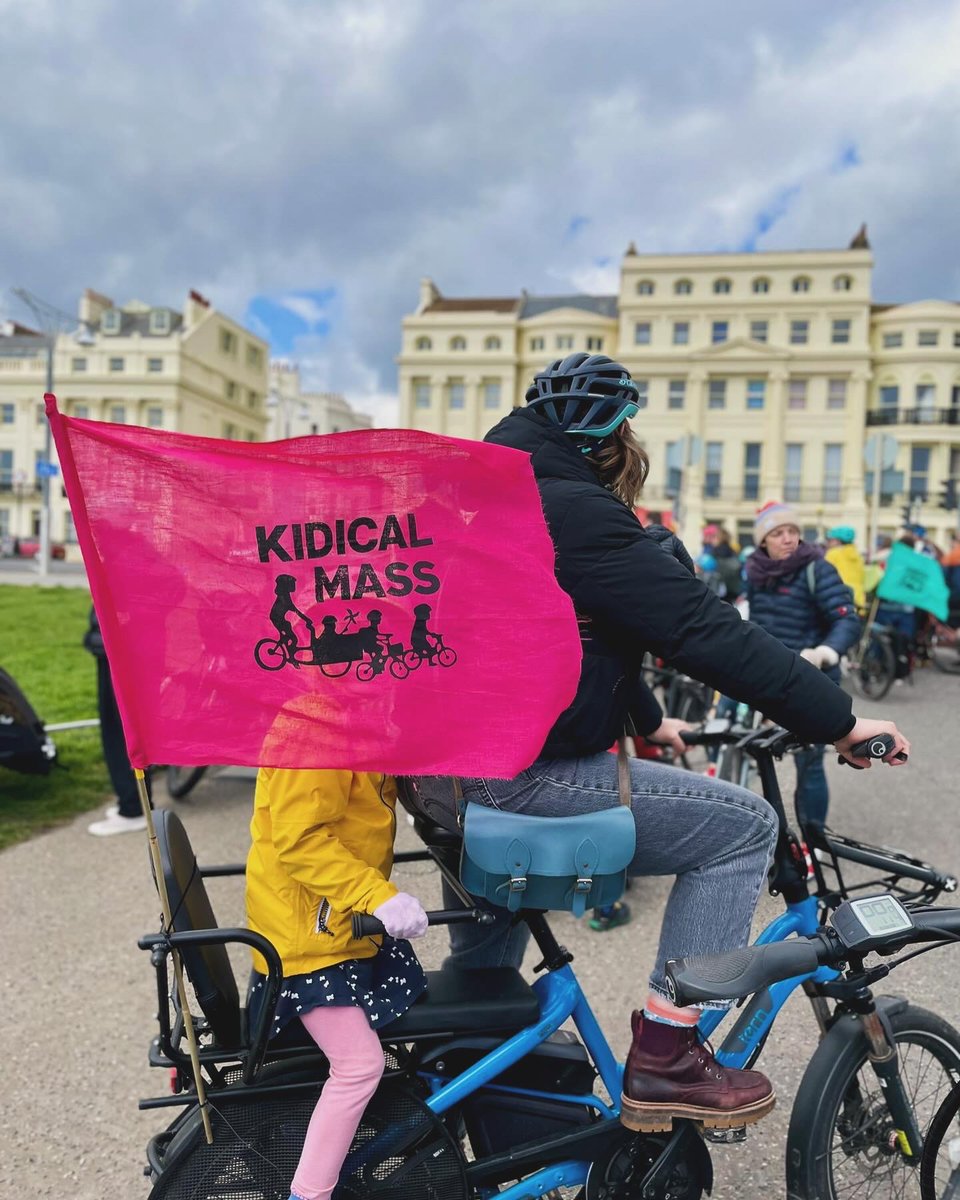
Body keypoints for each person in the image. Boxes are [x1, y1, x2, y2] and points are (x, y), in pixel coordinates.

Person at [465, 352, 907, 1134]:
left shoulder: (491, 494)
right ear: (606, 439)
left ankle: (465, 1062)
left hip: (455, 769)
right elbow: (698, 629)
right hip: (520, 775)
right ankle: (669, 1055)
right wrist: (840, 724)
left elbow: (577, 634)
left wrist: (645, 719)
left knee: (484, 962)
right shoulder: (575, 508)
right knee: (743, 828)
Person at [245, 768, 429, 1200]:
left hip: (335, 930)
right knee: (359, 1066)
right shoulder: (314, 734)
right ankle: (308, 1194)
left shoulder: (350, 719)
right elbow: (300, 841)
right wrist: (376, 895)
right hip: (307, 949)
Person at [744, 503, 861, 829]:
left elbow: (847, 620)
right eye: (778, 533)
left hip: (812, 677)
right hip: (767, 676)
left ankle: (814, 837)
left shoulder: (817, 569)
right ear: (763, 540)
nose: (788, 539)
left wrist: (826, 650)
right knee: (754, 754)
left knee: (808, 763)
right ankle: (758, 836)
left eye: (793, 531)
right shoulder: (754, 573)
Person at [84, 608, 152, 836]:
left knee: (120, 728)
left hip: (122, 641)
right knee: (122, 726)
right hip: (120, 639)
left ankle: (133, 808)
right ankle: (135, 804)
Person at [825, 525, 866, 610]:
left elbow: (823, 575)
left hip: (839, 599)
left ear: (838, 541)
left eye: (830, 540)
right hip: (858, 600)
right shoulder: (858, 555)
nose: (827, 543)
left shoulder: (833, 554)